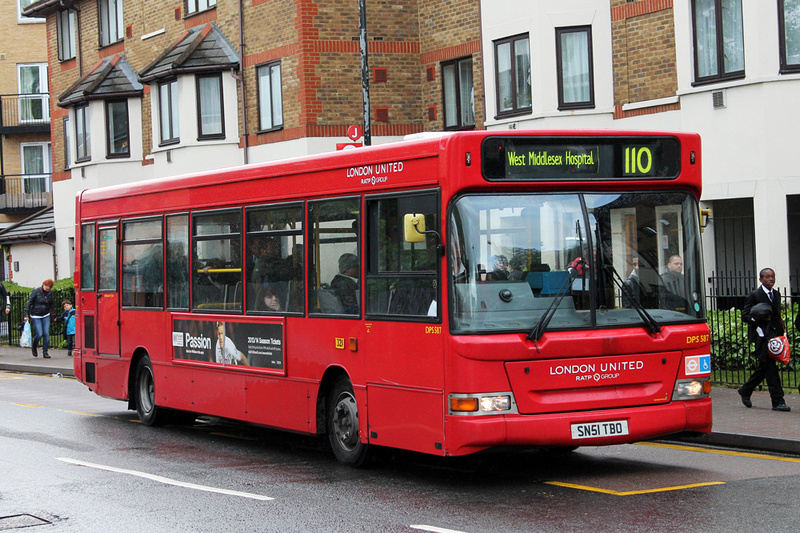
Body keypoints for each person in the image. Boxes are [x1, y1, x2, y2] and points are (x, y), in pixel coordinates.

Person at [738, 268, 790, 411]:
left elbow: (777, 316)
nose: (770, 279)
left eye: (772, 277)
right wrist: (758, 318)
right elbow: (745, 316)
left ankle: (745, 390)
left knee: (764, 368)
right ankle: (778, 401)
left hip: (774, 338)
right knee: (771, 369)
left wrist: (782, 335)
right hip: (761, 338)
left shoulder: (776, 294)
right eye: (767, 277)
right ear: (761, 279)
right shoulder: (754, 295)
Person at [25, 279, 55, 358]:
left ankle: (45, 352)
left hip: (46, 314)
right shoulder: (36, 291)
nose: (47, 290)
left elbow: (52, 303)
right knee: (39, 333)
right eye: (47, 288)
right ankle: (34, 346)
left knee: (46, 333)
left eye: (49, 289)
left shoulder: (50, 293)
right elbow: (29, 302)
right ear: (43, 285)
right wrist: (26, 314)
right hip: (36, 315)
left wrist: (54, 314)